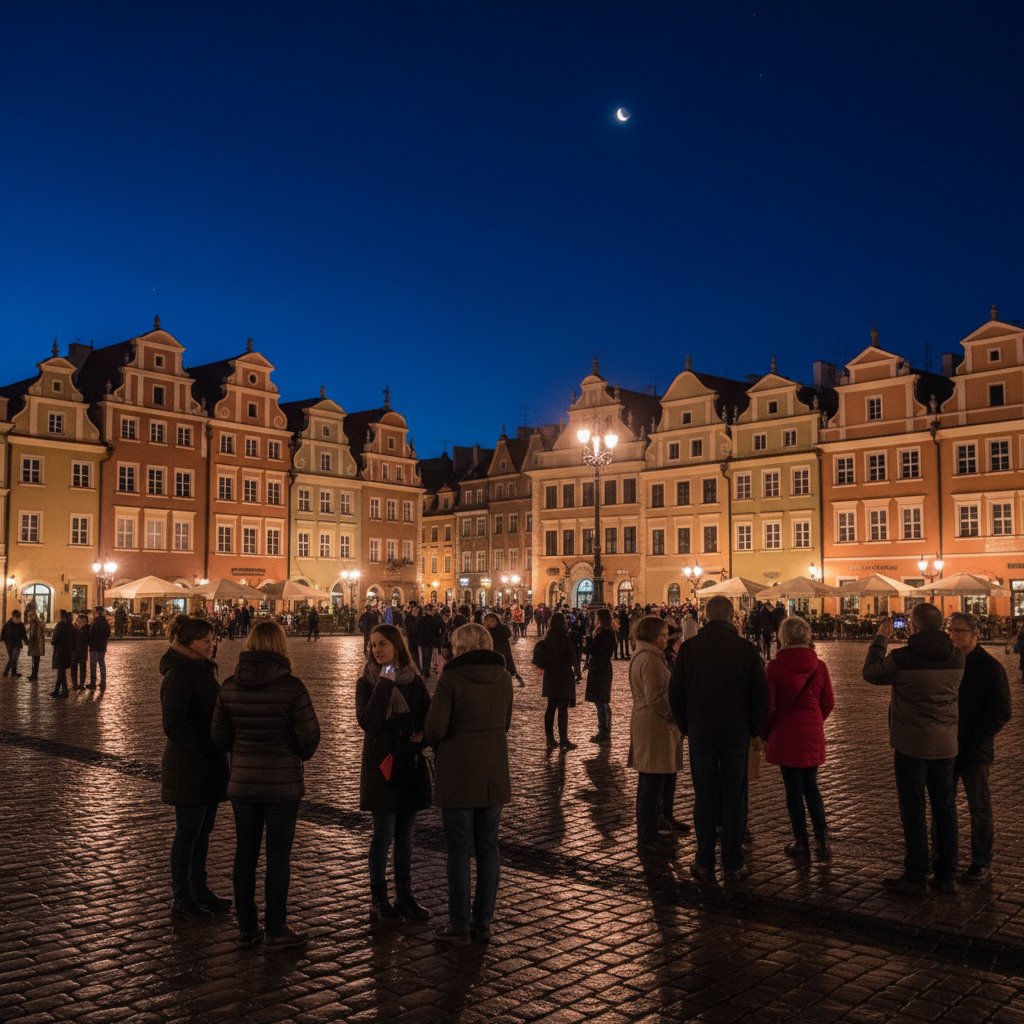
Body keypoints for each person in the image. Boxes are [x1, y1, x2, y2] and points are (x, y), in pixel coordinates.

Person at [212, 620, 321, 949]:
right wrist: (294, 750)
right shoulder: (292, 687)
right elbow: (310, 738)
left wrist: (242, 750)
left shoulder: (230, 685)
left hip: (243, 784)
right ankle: (275, 929)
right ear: (280, 646)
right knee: (278, 858)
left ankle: (247, 926)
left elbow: (218, 736)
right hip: (282, 785)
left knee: (244, 854)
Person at [863, 603, 963, 896]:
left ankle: (916, 874)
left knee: (913, 809)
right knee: (945, 809)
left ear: (914, 627)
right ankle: (947, 874)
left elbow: (871, 673)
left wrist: (880, 640)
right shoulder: (957, 656)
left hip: (911, 745)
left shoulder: (903, 658)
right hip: (946, 744)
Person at [424, 622, 514, 944]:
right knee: (489, 847)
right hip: (492, 771)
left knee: (459, 851)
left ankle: (460, 924)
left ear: (459, 648)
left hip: (458, 772)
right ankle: (483, 921)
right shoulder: (503, 678)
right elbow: (505, 722)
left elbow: (434, 728)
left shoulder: (451, 678)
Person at [669, 595, 768, 886]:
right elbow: (761, 698)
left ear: (705, 616)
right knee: (734, 798)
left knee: (705, 797)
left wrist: (687, 726)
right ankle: (732, 864)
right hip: (736, 734)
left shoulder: (689, 649)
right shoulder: (746, 650)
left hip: (701, 733)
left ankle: (703, 861)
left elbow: (675, 694)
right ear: (731, 616)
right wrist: (753, 729)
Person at [356, 623, 432, 924]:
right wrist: (385, 685)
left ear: (397, 646)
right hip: (382, 766)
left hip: (408, 764)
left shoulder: (414, 681)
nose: (376, 650)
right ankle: (379, 899)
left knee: (405, 836)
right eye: (373, 645)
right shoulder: (367, 681)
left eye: (382, 644)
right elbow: (369, 722)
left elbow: (428, 715)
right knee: (383, 834)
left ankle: (405, 895)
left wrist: (423, 737)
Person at [160, 616, 230, 921]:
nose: (211, 644)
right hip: (189, 767)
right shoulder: (178, 675)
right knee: (188, 832)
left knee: (203, 831)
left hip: (209, 766)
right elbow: (174, 725)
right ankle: (182, 896)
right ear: (189, 643)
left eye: (212, 639)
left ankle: (199, 888)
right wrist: (207, 745)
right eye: (205, 640)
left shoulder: (201, 669)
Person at [945, 612, 1012, 885]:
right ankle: (943, 856)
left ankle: (981, 860)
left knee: (979, 807)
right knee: (943, 805)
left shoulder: (990, 667)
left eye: (958, 631)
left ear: (974, 634)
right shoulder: (947, 663)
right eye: (949, 630)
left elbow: (1001, 711)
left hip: (974, 750)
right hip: (945, 747)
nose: (952, 635)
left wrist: (974, 737)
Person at [763, 616, 835, 860]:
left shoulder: (774, 667)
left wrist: (767, 731)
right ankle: (822, 838)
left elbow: (769, 706)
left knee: (793, 790)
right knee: (812, 787)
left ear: (783, 637)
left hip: (785, 732)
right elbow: (828, 703)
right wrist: (815, 720)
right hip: (811, 730)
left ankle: (801, 840)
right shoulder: (820, 666)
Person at [630, 615, 685, 856]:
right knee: (651, 782)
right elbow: (655, 696)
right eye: (663, 635)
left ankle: (662, 820)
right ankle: (647, 834)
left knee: (661, 776)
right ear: (653, 636)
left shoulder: (649, 655)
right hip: (655, 724)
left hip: (655, 724)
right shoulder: (649, 660)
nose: (666, 639)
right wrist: (672, 716)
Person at [532, 612, 579, 750]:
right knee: (562, 709)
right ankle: (563, 739)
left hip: (551, 676)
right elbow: (571, 659)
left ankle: (550, 738)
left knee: (551, 707)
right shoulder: (565, 639)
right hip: (564, 676)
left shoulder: (548, 639)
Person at [584, 608, 616, 743]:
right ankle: (605, 728)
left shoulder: (604, 633)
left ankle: (603, 730)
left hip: (599, 667)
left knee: (600, 701)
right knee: (602, 700)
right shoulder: (609, 632)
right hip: (603, 666)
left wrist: (589, 641)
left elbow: (596, 650)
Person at [484, 611, 523, 687]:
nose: (489, 623)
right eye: (487, 621)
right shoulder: (486, 630)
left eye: (492, 621)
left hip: (504, 651)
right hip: (493, 651)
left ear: (497, 621)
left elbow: (508, 635)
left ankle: (519, 680)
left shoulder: (503, 628)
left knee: (509, 666)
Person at [50, 610, 74, 697]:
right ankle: (56, 690)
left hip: (60, 651)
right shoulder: (71, 625)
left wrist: (53, 642)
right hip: (68, 651)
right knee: (61, 671)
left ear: (62, 616)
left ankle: (65, 691)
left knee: (61, 672)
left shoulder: (61, 625)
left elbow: (56, 637)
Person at [87, 606, 110, 690]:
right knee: (102, 665)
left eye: (94, 612)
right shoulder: (105, 622)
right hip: (102, 646)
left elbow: (92, 634)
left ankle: (93, 683)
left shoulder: (95, 622)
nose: (93, 613)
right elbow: (108, 634)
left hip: (94, 647)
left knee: (93, 665)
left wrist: (89, 641)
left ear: (97, 612)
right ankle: (103, 682)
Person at [2, 610, 27, 678]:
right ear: (13, 617)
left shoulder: (21, 625)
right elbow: (3, 633)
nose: (18, 619)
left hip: (17, 644)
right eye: (17, 618)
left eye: (19, 618)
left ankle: (12, 673)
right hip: (9, 644)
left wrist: (26, 641)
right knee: (12, 658)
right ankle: (7, 672)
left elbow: (24, 634)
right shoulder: (8, 624)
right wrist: (3, 640)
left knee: (14, 658)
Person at [71, 613, 90, 689]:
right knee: (77, 668)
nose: (79, 622)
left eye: (81, 621)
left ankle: (78, 684)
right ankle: (77, 684)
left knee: (80, 669)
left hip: (79, 652)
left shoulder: (85, 630)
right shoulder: (75, 629)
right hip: (77, 651)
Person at [25, 607, 45, 681]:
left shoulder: (35, 623)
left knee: (35, 660)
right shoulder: (36, 622)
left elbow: (33, 635)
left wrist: (28, 642)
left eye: (29, 617)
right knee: (35, 660)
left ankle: (34, 675)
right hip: (37, 645)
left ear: (32, 616)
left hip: (35, 645)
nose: (28, 618)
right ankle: (34, 674)